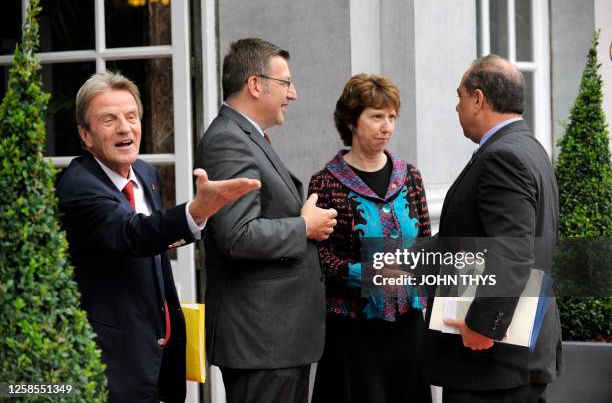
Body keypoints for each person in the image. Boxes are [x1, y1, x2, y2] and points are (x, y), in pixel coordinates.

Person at [56, 71, 260, 403]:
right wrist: (195, 211)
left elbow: (155, 242)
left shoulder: (145, 174)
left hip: (159, 354)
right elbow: (132, 234)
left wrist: (194, 220)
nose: (125, 127)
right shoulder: (78, 186)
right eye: (109, 120)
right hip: (112, 361)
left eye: (131, 116)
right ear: (85, 134)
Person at [194, 38, 337, 403]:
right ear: (255, 85)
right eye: (286, 83)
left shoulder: (247, 137)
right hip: (262, 341)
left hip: (277, 340)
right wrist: (304, 227)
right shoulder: (228, 141)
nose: (294, 94)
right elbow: (238, 236)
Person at [420, 55, 562, 402]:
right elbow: (470, 238)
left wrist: (483, 326)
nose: (457, 107)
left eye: (460, 97)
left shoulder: (503, 157)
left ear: (478, 99)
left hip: (494, 364)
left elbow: (511, 253)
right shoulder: (528, 147)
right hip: (510, 361)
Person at [308, 74, 432, 403]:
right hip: (354, 333)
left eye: (391, 117)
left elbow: (425, 241)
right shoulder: (326, 182)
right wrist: (362, 274)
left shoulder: (410, 176)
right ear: (351, 120)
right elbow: (318, 256)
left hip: (408, 328)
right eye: (376, 116)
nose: (386, 126)